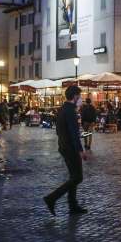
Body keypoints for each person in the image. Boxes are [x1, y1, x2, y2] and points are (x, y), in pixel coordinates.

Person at [43, 85, 88, 216]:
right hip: (70, 148)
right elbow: (74, 133)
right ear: (74, 96)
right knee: (77, 177)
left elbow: (58, 130)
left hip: (64, 146)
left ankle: (72, 205)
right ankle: (51, 198)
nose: (80, 98)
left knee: (73, 176)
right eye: (79, 96)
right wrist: (80, 150)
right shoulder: (70, 111)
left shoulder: (63, 109)